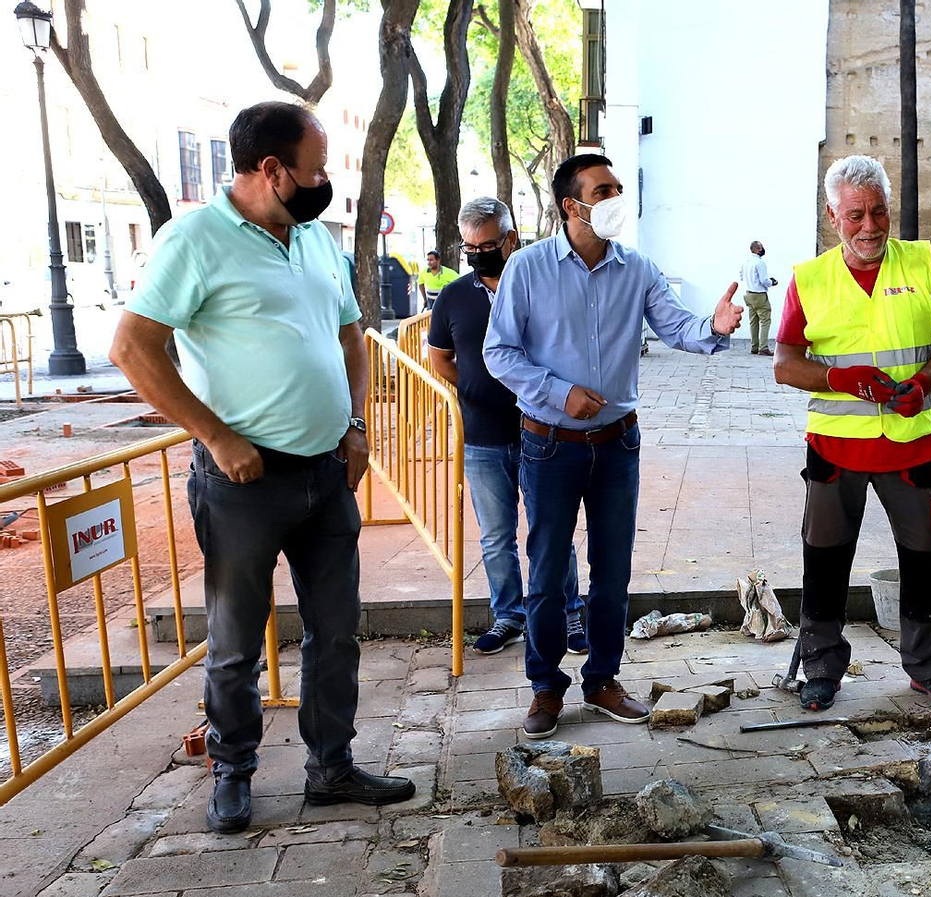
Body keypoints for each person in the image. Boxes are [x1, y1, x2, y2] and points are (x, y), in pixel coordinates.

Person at [109, 101, 415, 833]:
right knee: (237, 640)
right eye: (315, 169)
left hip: (326, 473)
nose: (324, 182)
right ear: (272, 169)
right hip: (243, 482)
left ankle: (331, 768)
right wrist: (215, 436)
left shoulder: (315, 240)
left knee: (335, 631)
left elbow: (351, 338)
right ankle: (232, 770)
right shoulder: (195, 240)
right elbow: (132, 349)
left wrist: (356, 425)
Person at [483, 153, 743, 739]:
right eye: (603, 190)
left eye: (618, 188)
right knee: (548, 571)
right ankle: (546, 686)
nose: (616, 198)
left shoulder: (637, 269)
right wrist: (559, 392)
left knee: (612, 570)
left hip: (618, 444)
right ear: (571, 206)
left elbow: (677, 327)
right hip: (549, 445)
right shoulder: (528, 267)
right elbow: (499, 352)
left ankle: (602, 679)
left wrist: (716, 326)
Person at [773, 154, 931, 713]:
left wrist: (923, 382)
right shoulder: (809, 278)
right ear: (832, 216)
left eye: (878, 212)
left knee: (925, 557)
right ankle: (821, 667)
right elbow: (785, 364)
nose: (869, 226)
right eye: (855, 215)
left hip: (911, 445)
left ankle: (929, 668)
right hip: (834, 449)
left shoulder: (925, 262)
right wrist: (840, 378)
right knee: (825, 559)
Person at [426, 197, 588, 658]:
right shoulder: (454, 296)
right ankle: (509, 616)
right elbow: (440, 358)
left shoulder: (543, 285)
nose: (478, 254)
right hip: (482, 438)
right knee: (496, 536)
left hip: (544, 432)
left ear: (510, 239)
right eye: (469, 248)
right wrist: (474, 388)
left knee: (551, 531)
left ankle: (569, 614)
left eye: (487, 245)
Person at [739, 240, 778, 355]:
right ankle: (763, 347)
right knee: (765, 320)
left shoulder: (746, 262)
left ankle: (754, 346)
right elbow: (764, 280)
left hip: (748, 294)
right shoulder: (760, 262)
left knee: (753, 321)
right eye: (760, 247)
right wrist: (772, 282)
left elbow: (741, 276)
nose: (762, 249)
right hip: (759, 295)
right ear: (757, 249)